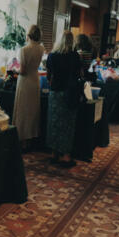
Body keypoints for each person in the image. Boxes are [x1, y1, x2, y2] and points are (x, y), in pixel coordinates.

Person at [46, 31, 82, 168]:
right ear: (72, 41)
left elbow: (49, 75)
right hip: (70, 93)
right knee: (67, 125)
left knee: (54, 123)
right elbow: (79, 74)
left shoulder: (52, 55)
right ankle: (66, 156)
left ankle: (54, 154)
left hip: (55, 93)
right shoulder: (75, 56)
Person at [12, 25, 45, 152]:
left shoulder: (24, 50)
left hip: (25, 81)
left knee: (23, 110)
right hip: (35, 80)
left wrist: (14, 70)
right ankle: (30, 139)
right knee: (32, 111)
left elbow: (23, 71)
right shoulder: (41, 48)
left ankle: (22, 140)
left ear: (28, 34)